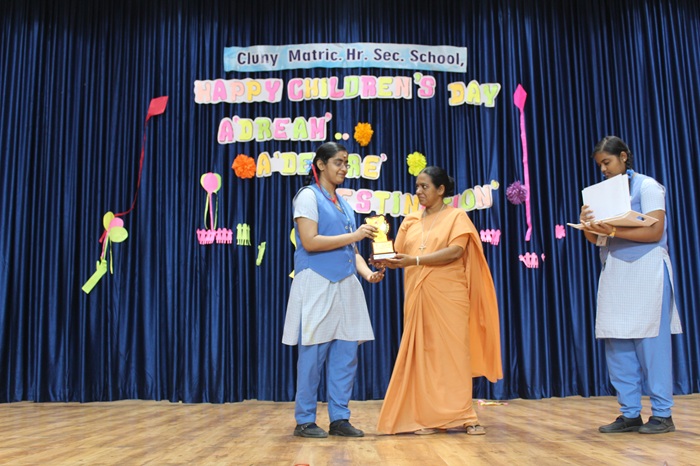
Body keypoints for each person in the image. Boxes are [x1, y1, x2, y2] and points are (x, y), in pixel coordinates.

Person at [374, 166, 502, 435]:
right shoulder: (410, 221)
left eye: (424, 186)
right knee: (424, 356)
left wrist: (415, 260)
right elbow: (398, 253)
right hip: (417, 295)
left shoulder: (457, 217)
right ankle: (428, 417)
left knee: (454, 356)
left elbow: (455, 251)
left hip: (450, 296)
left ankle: (465, 416)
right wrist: (383, 258)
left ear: (441, 189)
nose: (418, 191)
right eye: (417, 186)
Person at [579, 136, 682, 434]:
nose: (603, 169)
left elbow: (654, 232)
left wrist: (612, 230)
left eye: (607, 162)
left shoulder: (648, 187)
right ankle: (630, 413)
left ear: (623, 157)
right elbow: (596, 239)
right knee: (617, 342)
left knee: (651, 344)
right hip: (615, 270)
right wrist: (587, 223)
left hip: (647, 269)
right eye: (600, 165)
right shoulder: (602, 193)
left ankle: (662, 414)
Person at [282, 142, 385, 439]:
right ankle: (304, 419)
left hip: (346, 284)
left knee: (346, 353)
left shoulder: (344, 204)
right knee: (312, 354)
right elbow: (310, 241)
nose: (343, 168)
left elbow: (353, 250)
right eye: (338, 162)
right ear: (321, 164)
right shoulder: (307, 196)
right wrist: (355, 235)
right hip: (316, 280)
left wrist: (368, 274)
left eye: (346, 164)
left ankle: (339, 418)